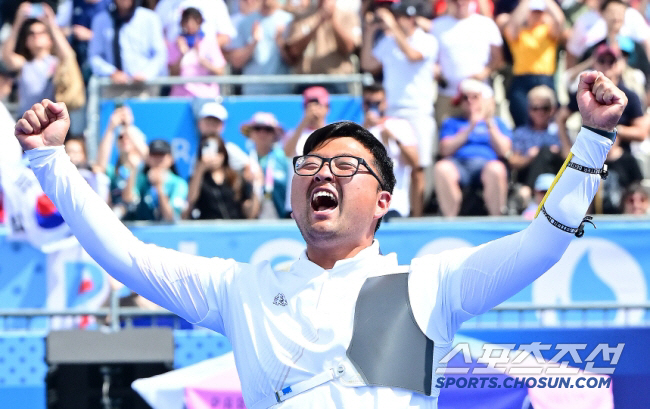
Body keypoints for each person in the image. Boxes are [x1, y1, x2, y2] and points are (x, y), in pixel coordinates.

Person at [15, 71, 626, 408]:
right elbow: (127, 255)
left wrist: (594, 140)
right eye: (308, 166)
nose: (322, 173)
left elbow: (542, 245)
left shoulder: (427, 286)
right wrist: (50, 163)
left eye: (343, 166)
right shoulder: (243, 288)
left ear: (384, 202)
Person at [361, 1, 438, 217]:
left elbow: (412, 55)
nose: (394, 21)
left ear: (410, 18)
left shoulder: (427, 40)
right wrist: (370, 32)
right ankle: (394, 211)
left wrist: (391, 28)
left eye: (399, 17)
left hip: (418, 111)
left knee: (418, 167)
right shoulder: (388, 41)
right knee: (392, 165)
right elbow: (367, 63)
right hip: (392, 112)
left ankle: (417, 217)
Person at [433, 79, 512, 216]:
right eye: (465, 98)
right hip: (458, 165)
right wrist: (470, 126)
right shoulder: (452, 122)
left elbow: (504, 150)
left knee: (497, 169)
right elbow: (444, 150)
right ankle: (450, 221)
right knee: (442, 168)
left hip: (487, 165)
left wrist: (488, 123)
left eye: (475, 97)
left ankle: (496, 218)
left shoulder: (497, 123)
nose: (470, 101)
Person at [431, 0, 503, 125]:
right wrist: (435, 69)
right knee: (447, 140)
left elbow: (498, 58)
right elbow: (431, 58)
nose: (459, 3)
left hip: (480, 94)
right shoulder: (436, 26)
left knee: (484, 139)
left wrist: (485, 72)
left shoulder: (486, 24)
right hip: (448, 96)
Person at [1, 2, 77, 116]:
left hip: (51, 118)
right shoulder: (24, 63)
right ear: (26, 41)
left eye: (41, 33)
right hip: (26, 119)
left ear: (50, 39)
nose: (36, 35)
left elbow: (68, 56)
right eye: (31, 33)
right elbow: (6, 55)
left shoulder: (56, 62)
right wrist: (18, 21)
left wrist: (51, 23)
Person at [503, 0, 564, 127]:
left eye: (540, 12)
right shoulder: (519, 34)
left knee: (549, 121)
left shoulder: (548, 32)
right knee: (521, 119)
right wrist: (526, 3)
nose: (536, 15)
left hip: (544, 79)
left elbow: (559, 20)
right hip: (521, 80)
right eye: (533, 12)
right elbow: (512, 24)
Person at [362, 83, 418, 218]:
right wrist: (364, 130)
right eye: (368, 103)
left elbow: (415, 163)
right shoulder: (357, 130)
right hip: (364, 206)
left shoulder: (400, 126)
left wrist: (394, 139)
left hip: (395, 204)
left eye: (377, 102)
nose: (373, 107)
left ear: (385, 103)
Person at [88, 0, 167, 95]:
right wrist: (111, 72)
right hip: (113, 87)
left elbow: (160, 55)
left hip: (144, 88)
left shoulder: (150, 18)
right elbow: (94, 56)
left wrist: (146, 74)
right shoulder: (101, 20)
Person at [508, 85, 568, 206]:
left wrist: (555, 152)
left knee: (545, 151)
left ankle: (527, 191)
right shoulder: (521, 133)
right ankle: (531, 190)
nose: (540, 112)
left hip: (555, 174)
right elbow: (514, 162)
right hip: (528, 171)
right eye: (535, 108)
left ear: (552, 109)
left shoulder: (559, 131)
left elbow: (569, 157)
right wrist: (529, 157)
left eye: (545, 108)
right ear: (529, 110)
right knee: (543, 152)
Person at [285, 0, 361, 94]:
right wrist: (318, 23)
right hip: (306, 81)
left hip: (336, 81)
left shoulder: (347, 16)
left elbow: (349, 48)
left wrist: (332, 20)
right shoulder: (301, 16)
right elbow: (294, 50)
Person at [226, 0, 293, 95]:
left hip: (282, 91)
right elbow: (236, 62)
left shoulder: (288, 20)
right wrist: (254, 42)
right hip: (253, 92)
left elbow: (293, 61)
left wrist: (280, 42)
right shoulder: (245, 22)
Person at [185, 134, 259, 220]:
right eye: (207, 150)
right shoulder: (198, 180)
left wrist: (256, 186)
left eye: (216, 151)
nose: (212, 156)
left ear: (223, 154)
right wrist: (200, 170)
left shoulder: (236, 177)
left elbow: (249, 212)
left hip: (235, 227)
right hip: (209, 228)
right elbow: (192, 199)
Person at [122, 139, 189, 221]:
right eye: (154, 154)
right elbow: (128, 199)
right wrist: (133, 170)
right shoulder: (141, 179)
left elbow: (170, 217)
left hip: (167, 233)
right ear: (148, 158)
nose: (157, 159)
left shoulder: (179, 183)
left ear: (171, 158)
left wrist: (159, 186)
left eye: (161, 155)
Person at [167, 7, 227, 98]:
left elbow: (220, 71)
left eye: (194, 20)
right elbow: (172, 74)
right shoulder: (177, 44)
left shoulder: (209, 43)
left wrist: (201, 59)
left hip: (206, 96)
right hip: (181, 96)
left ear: (200, 22)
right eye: (187, 21)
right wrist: (183, 54)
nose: (190, 25)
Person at [241, 112, 290, 218]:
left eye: (268, 129)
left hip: (282, 220)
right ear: (251, 133)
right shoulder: (244, 161)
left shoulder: (284, 159)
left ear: (275, 134)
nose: (262, 133)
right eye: (258, 128)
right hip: (253, 222)